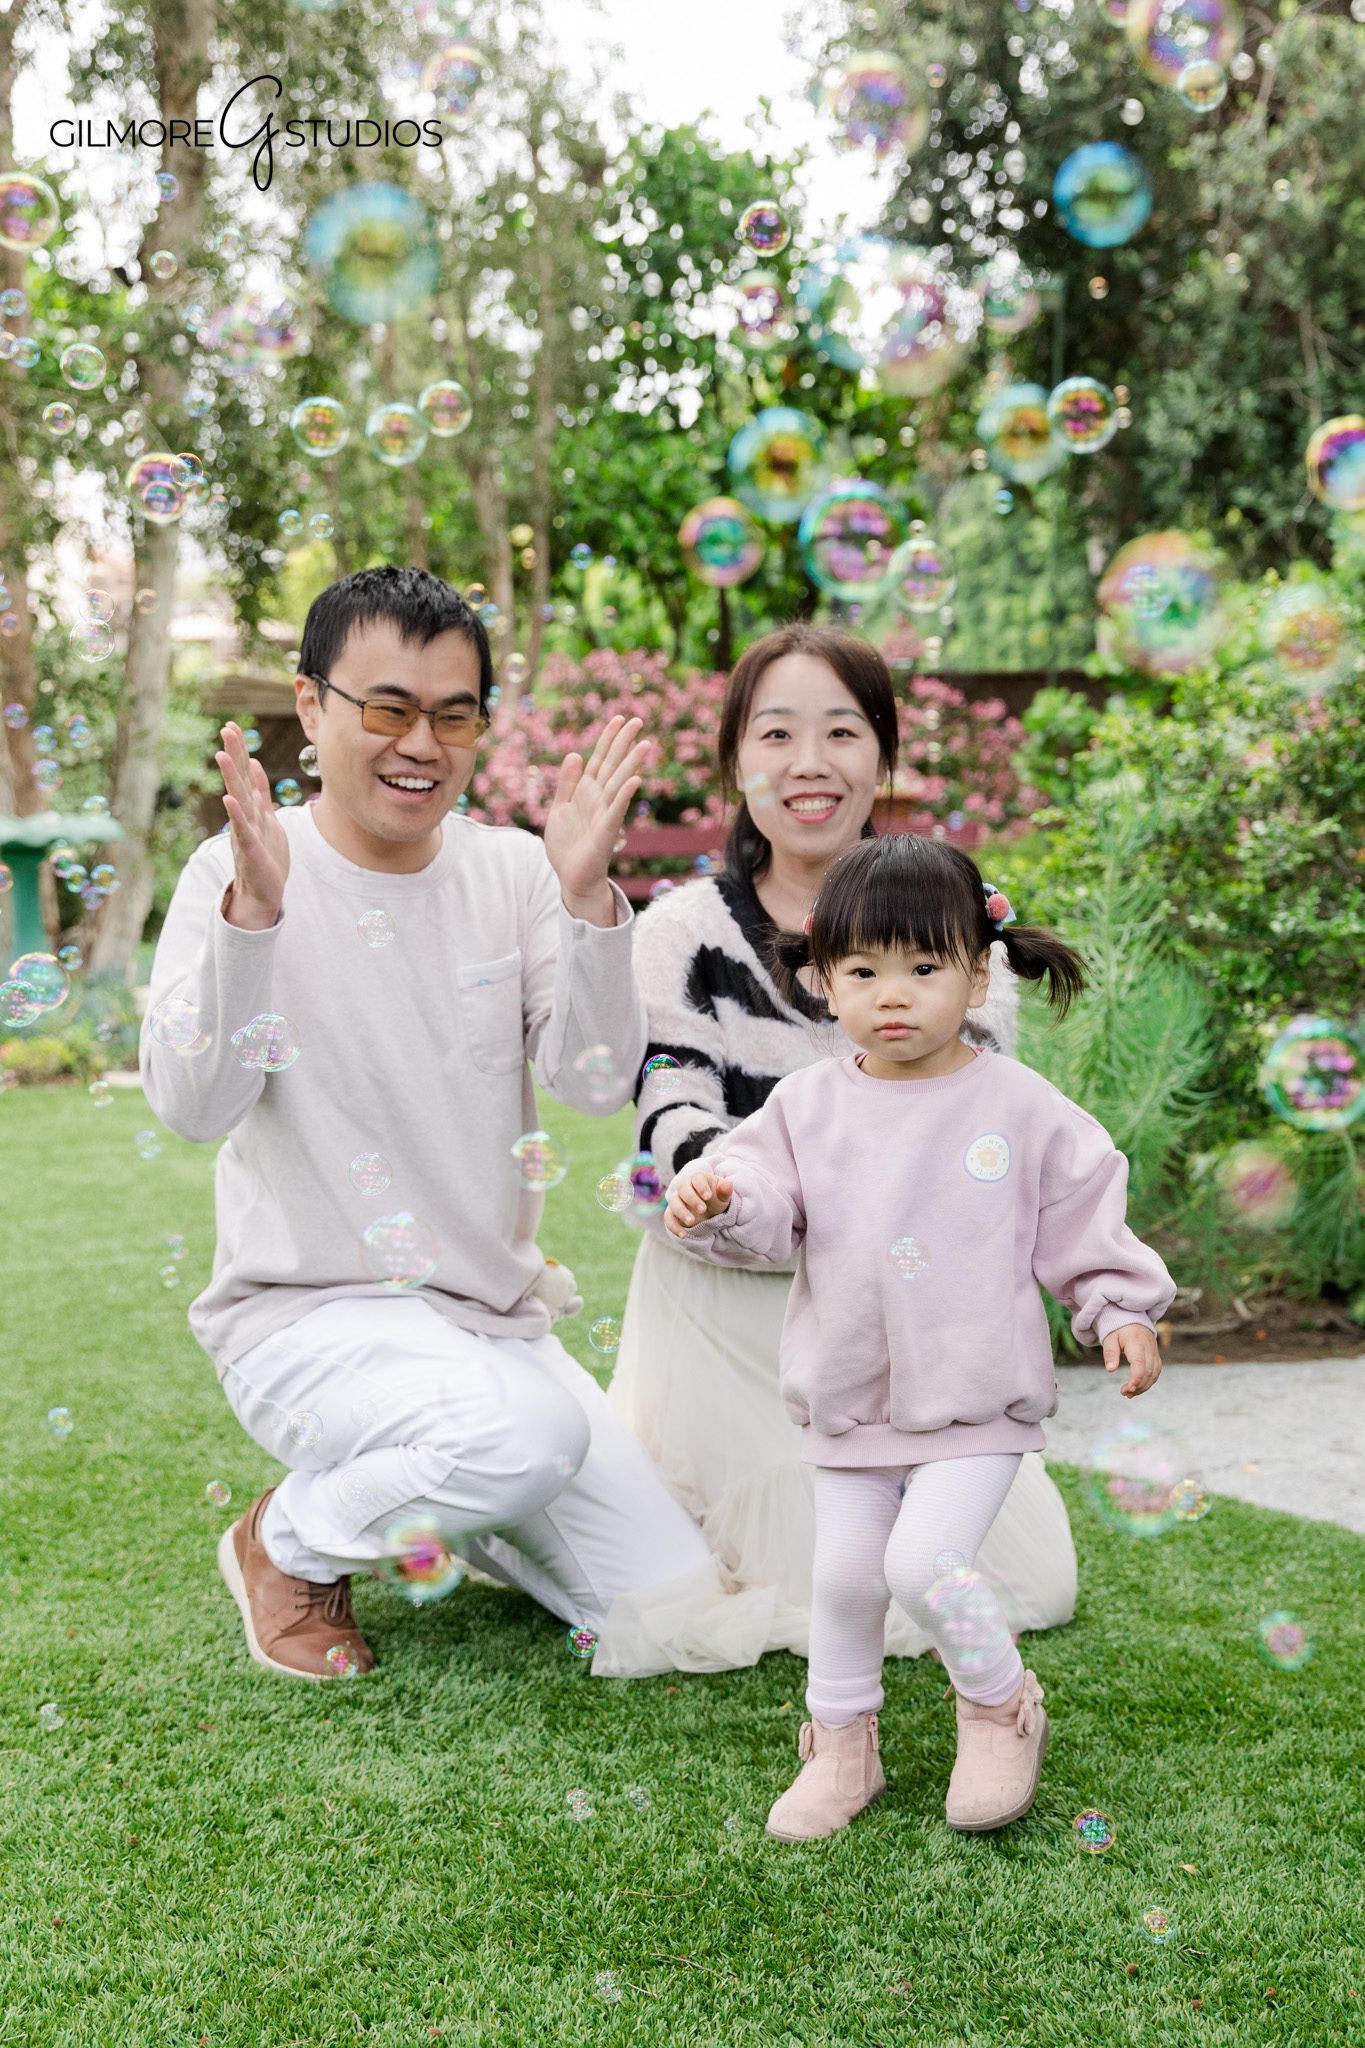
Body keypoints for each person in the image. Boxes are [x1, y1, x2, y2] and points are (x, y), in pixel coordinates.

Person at [142, 564, 765, 1684]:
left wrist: (587, 901)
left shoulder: (517, 871)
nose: (420, 744)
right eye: (387, 709)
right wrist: (256, 917)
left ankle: (454, 1501)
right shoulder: (234, 871)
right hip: (309, 1319)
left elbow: (587, 1084)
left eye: (453, 715)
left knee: (668, 1616)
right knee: (523, 1438)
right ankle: (287, 1541)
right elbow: (193, 1108)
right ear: (312, 704)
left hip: (488, 1322)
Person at [664, 832, 1176, 1841]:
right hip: (851, 1396)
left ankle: (997, 1703)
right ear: (821, 980)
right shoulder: (806, 1104)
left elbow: (1081, 1207)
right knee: (844, 1578)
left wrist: (1118, 1305)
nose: (891, 995)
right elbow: (763, 1195)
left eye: (923, 968)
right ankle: (840, 1744)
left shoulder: (1016, 1104)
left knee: (926, 1564)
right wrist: (720, 1196)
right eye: (862, 971)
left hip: (975, 1397)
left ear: (978, 975)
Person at [603, 623, 1078, 1674]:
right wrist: (737, 1194)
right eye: (776, 733)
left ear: (883, 754)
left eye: (842, 731)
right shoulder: (681, 931)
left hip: (907, 1310)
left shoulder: (951, 925)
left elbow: (975, 1142)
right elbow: (673, 1121)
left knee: (1034, 1584)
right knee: (813, 1577)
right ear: (735, 761)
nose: (809, 762)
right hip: (727, 1302)